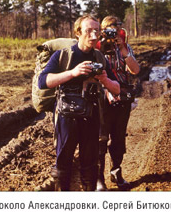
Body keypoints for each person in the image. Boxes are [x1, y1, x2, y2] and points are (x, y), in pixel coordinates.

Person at [38, 15, 120, 191]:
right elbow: (43, 81)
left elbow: (117, 89)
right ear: (78, 33)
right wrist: (72, 73)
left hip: (91, 114)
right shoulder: (64, 56)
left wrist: (105, 80)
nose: (93, 35)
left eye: (96, 31)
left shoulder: (99, 57)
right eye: (89, 31)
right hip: (66, 116)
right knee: (63, 163)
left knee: (90, 164)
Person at [96, 15, 140, 191]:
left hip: (122, 96)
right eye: (109, 30)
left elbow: (135, 70)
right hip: (101, 98)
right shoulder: (97, 47)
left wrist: (123, 50)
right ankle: (99, 179)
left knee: (119, 137)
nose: (112, 35)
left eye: (116, 30)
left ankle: (116, 172)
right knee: (101, 138)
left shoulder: (125, 47)